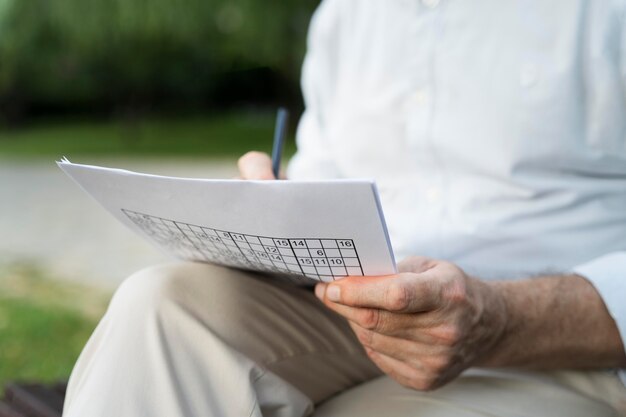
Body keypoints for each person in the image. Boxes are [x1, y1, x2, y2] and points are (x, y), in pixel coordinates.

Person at [63, 1, 626, 416]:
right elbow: (325, 175)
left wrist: (499, 319)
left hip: (557, 354)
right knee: (157, 305)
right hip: (350, 320)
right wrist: (273, 208)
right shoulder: (346, 14)